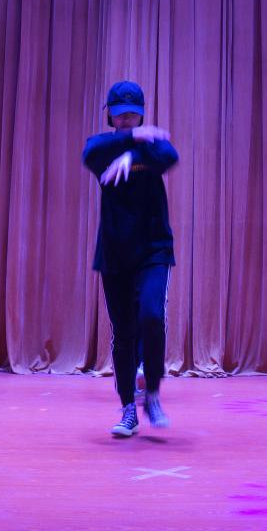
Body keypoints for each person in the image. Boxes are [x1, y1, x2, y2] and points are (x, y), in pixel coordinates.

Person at [83, 81, 179, 437]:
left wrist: (132, 156)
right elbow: (90, 152)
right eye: (120, 114)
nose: (126, 119)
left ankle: (151, 393)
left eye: (132, 115)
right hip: (115, 252)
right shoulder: (102, 147)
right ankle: (127, 409)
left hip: (153, 249)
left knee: (151, 316)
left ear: (141, 114)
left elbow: (169, 156)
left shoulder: (153, 146)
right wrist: (130, 141)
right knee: (123, 333)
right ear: (110, 115)